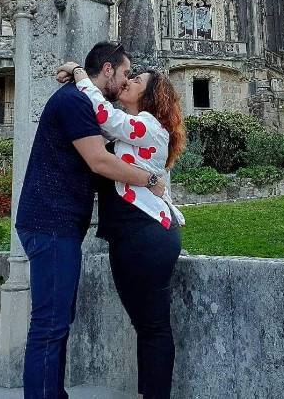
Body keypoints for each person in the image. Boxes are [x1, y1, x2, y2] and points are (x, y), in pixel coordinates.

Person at [15, 42, 167, 399]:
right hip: (51, 221)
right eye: (126, 73)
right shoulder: (75, 102)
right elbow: (99, 161)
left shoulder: (85, 103)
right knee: (50, 325)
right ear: (109, 70)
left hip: (58, 223)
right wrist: (149, 180)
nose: (128, 80)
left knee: (56, 323)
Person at [56, 62, 186, 399]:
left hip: (147, 234)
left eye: (137, 80)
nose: (128, 81)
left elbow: (106, 118)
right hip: (128, 235)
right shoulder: (132, 127)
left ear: (152, 94)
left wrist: (82, 77)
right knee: (144, 325)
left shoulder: (149, 126)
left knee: (154, 326)